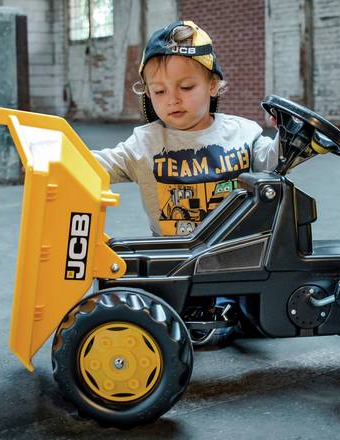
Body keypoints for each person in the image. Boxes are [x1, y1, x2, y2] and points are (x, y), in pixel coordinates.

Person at [91, 20, 278, 345]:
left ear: (213, 85)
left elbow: (274, 160)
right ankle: (198, 314)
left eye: (186, 87)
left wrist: (290, 136)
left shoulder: (242, 134)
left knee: (234, 306)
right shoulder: (145, 143)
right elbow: (101, 164)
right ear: (147, 92)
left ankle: (221, 311)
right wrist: (55, 155)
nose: (172, 99)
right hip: (173, 257)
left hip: (231, 255)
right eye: (159, 91)